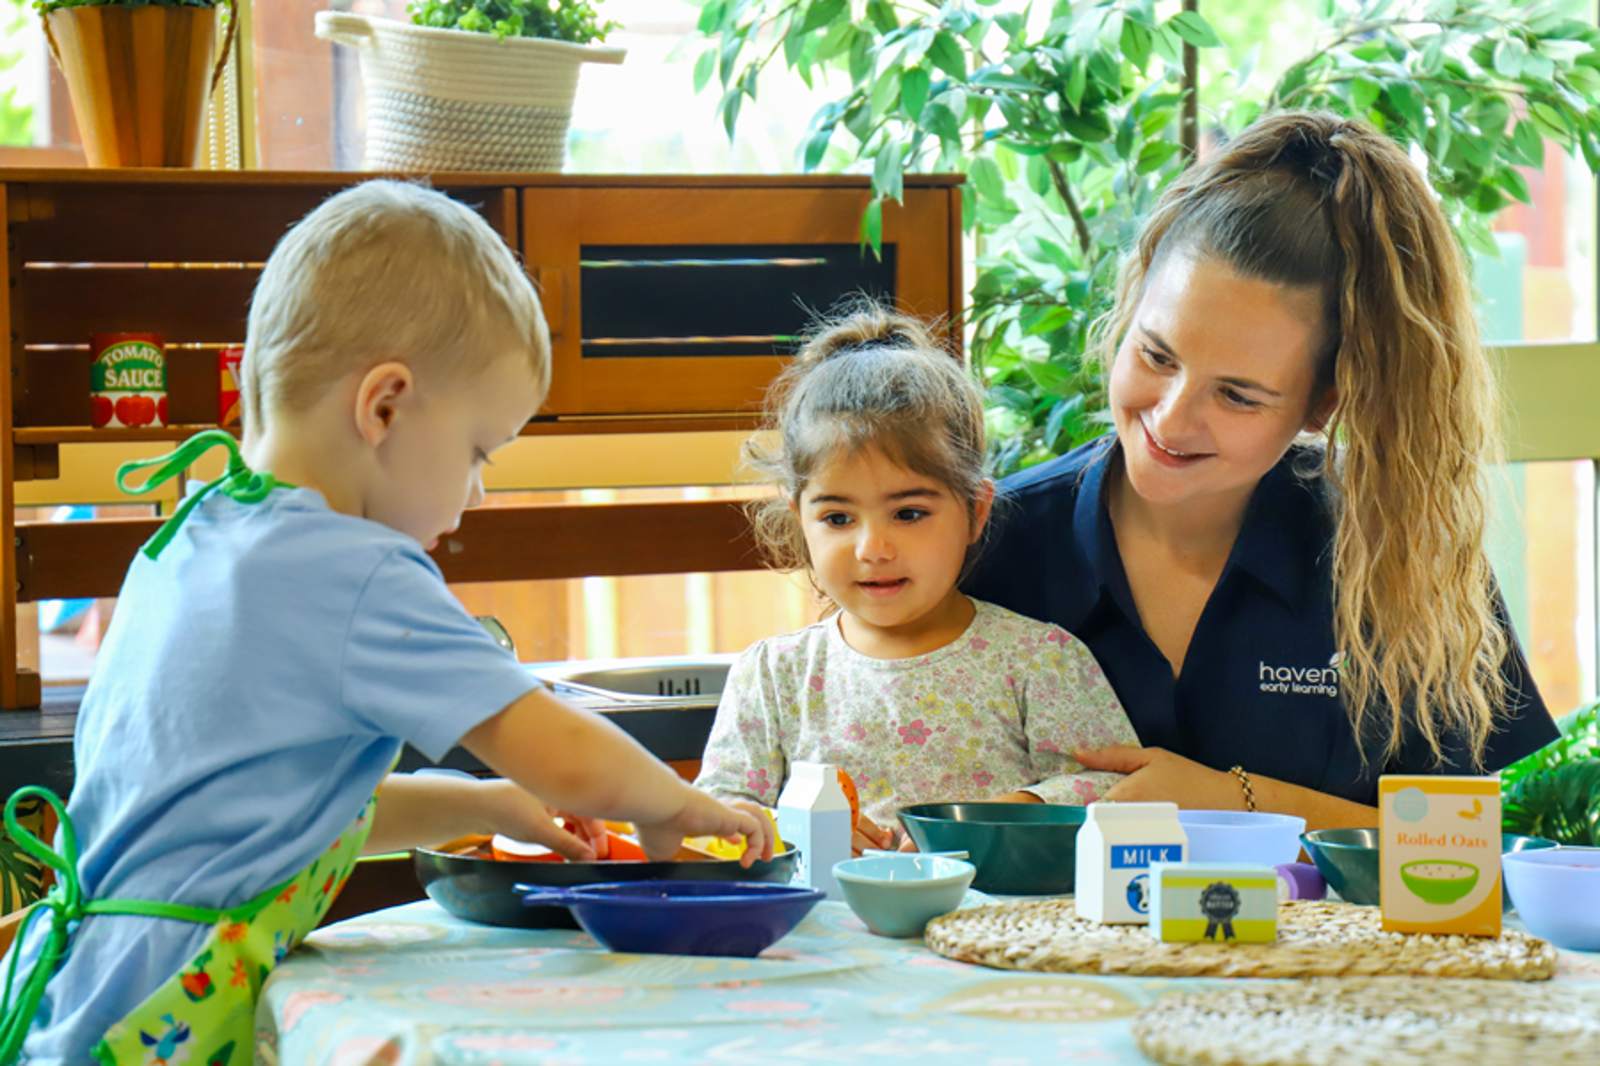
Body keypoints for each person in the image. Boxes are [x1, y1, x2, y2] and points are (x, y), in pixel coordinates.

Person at [0, 181, 771, 1065]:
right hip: (168, 1019)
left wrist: (485, 804)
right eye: (479, 451)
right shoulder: (354, 566)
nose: (477, 492)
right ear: (386, 407)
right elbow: (558, 746)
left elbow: (274, 813)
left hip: (81, 991)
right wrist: (670, 803)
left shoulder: (193, 540)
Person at [964, 111, 1559, 831]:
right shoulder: (986, 545)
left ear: (1322, 403)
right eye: (1155, 355)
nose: (1172, 418)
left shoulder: (1404, 559)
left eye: (1238, 395)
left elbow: (1476, 846)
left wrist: (1236, 802)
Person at [695, 305, 1139, 854]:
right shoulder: (773, 675)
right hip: (821, 936)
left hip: (1002, 932)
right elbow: (713, 818)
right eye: (837, 518)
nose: (872, 549)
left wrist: (999, 816)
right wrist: (793, 826)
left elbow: (1118, 790)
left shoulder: (1039, 659)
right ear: (799, 518)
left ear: (976, 512)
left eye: (908, 513)